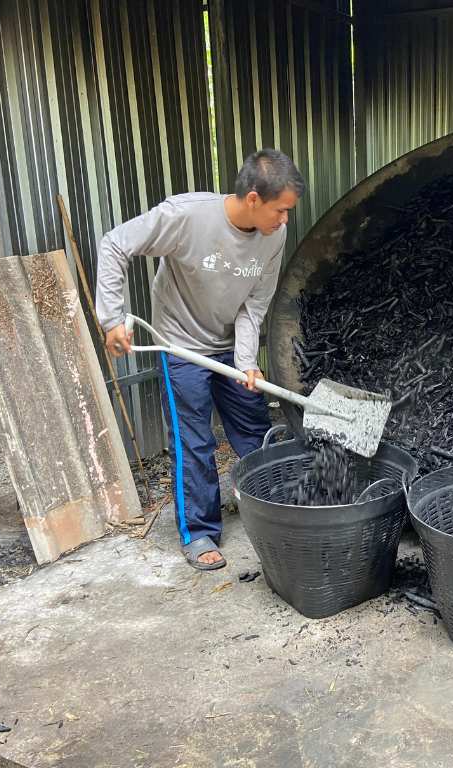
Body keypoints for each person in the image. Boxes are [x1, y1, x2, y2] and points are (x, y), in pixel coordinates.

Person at [97, 149, 304, 571]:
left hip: (229, 343)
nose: (285, 220)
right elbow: (115, 244)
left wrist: (247, 360)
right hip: (181, 346)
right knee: (194, 442)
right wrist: (112, 318)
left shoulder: (274, 235)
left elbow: (255, 304)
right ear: (252, 198)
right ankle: (199, 531)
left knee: (253, 430)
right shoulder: (187, 217)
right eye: (280, 210)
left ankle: (270, 510)